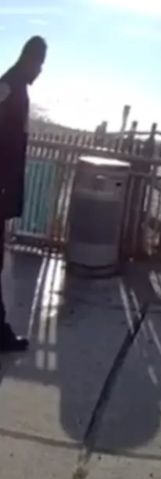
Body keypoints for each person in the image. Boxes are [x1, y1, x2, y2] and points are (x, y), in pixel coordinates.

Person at [0, 36, 46, 356]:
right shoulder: (9, 85)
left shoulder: (17, 87)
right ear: (29, 58)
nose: (40, 71)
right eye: (39, 63)